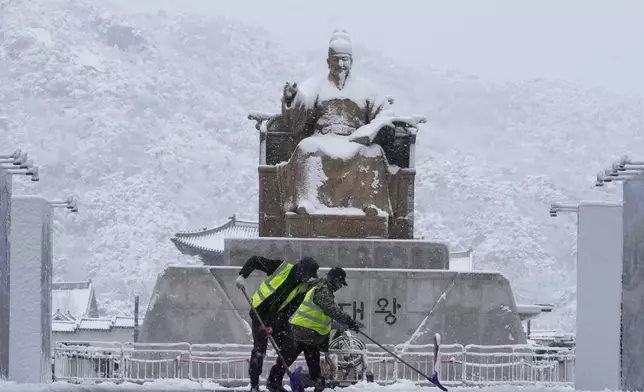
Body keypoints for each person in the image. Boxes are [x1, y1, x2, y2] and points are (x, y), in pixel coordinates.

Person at [265, 267, 363, 392]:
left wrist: (346, 323)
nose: (340, 287)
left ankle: (277, 381)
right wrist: (349, 321)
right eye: (340, 283)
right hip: (304, 331)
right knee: (295, 357)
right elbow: (331, 310)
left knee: (300, 359)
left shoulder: (322, 288)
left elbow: (324, 313)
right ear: (334, 279)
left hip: (309, 333)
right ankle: (276, 382)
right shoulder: (322, 289)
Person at [235, 256, 320, 392]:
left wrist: (273, 325)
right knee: (259, 351)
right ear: (302, 270)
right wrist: (243, 275)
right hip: (260, 313)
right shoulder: (281, 267)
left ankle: (274, 381)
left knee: (290, 347)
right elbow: (255, 260)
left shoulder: (301, 287)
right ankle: (254, 386)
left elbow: (292, 308)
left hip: (278, 319)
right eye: (308, 275)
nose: (308, 279)